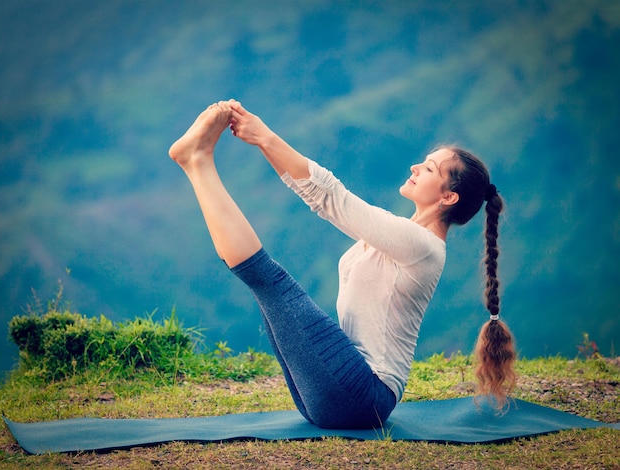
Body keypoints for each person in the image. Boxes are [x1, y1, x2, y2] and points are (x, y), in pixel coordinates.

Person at [168, 99, 516, 429]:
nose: (415, 167)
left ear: (448, 197)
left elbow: (332, 197)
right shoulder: (401, 234)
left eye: (428, 169)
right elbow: (315, 194)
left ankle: (198, 162)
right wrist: (260, 141)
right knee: (266, 292)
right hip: (338, 395)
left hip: (363, 396)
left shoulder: (424, 247)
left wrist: (264, 135)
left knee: (269, 281)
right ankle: (197, 161)